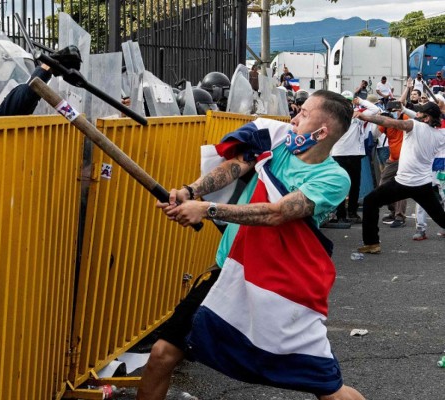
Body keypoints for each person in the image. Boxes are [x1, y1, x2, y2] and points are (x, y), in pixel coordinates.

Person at [137, 90, 364, 400]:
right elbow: (235, 166)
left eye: (304, 114)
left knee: (327, 387)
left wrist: (207, 210)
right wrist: (192, 192)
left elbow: (278, 213)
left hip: (279, 291)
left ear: (322, 132)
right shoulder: (277, 142)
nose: (294, 118)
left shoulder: (334, 178)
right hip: (229, 273)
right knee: (161, 355)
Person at [356, 102, 445, 254]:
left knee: (371, 201)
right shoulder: (441, 134)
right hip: (423, 185)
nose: (416, 114)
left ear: (427, 117)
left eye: (420, 113)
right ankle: (371, 244)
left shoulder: (415, 126)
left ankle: (372, 243)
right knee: (440, 216)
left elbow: (389, 122)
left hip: (404, 183)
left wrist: (365, 116)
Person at [329, 91, 380, 224]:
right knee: (341, 185)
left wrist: (361, 101)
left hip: (354, 154)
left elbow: (376, 109)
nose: (347, 103)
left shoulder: (357, 115)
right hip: (339, 154)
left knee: (354, 185)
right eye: (344, 100)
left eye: (349, 100)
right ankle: (340, 214)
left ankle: (352, 212)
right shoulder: (335, 115)